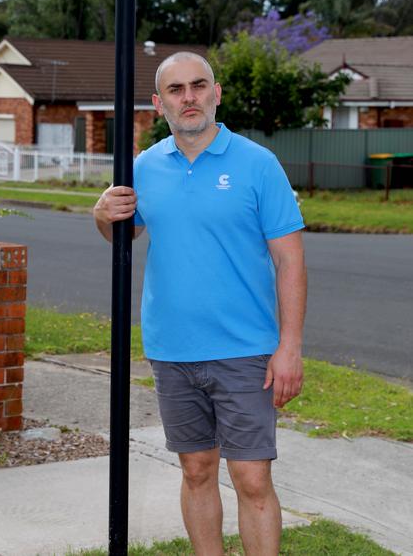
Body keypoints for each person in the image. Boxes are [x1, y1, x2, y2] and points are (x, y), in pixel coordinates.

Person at [93, 52, 306, 556]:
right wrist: (102, 215)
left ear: (216, 93)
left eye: (198, 85)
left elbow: (290, 261)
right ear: (158, 103)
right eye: (176, 90)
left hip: (245, 351)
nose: (188, 97)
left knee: (252, 479)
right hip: (172, 351)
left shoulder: (258, 165)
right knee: (195, 470)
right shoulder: (143, 168)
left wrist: (290, 346)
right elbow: (123, 233)